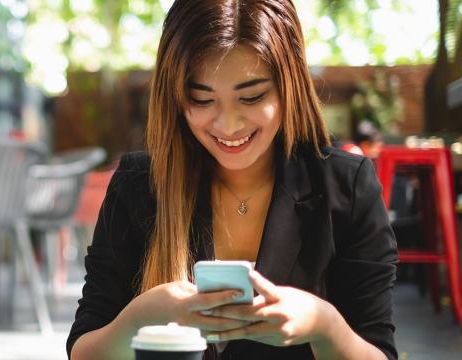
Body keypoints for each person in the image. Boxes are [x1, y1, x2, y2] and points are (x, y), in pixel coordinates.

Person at [67, 0, 398, 359]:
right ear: (176, 97)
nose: (228, 126)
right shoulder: (139, 185)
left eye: (252, 96)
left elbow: (378, 352)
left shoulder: (347, 186)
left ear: (289, 86)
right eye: (202, 99)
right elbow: (84, 352)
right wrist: (138, 320)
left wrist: (325, 326)